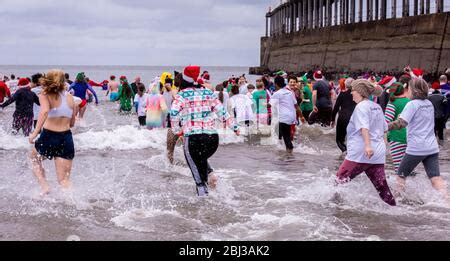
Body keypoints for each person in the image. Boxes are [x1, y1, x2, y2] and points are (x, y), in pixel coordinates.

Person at [170, 66, 239, 196]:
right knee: (201, 160)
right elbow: (222, 112)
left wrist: (177, 131)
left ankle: (203, 208)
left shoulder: (181, 95)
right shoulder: (208, 93)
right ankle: (211, 176)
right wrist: (235, 128)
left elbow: (173, 113)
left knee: (198, 179)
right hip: (212, 139)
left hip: (193, 138)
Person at [336, 79, 396, 206]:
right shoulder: (376, 106)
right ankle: (397, 212)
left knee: (339, 182)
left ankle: (333, 209)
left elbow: (364, 127)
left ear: (360, 92)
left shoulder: (361, 107)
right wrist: (383, 145)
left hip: (360, 154)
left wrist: (368, 146)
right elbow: (384, 128)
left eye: (353, 90)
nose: (351, 93)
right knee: (383, 190)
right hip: (377, 154)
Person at [389, 78, 448, 201]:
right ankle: (447, 201)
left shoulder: (412, 104)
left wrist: (385, 126)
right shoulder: (428, 103)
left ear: (413, 90)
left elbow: (401, 123)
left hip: (416, 148)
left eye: (409, 88)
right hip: (432, 148)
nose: (408, 91)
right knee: (435, 178)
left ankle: (395, 201)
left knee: (401, 175)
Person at [28, 70, 78, 196]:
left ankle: (44, 186)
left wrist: (35, 132)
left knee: (33, 158)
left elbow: (44, 112)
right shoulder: (70, 97)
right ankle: (75, 202)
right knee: (64, 180)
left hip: (49, 136)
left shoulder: (44, 95)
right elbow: (72, 123)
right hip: (66, 138)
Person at [270, 76, 304, 153]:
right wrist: (301, 116)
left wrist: (265, 104)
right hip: (292, 117)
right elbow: (296, 106)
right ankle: (283, 148)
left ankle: (289, 154)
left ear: (276, 84)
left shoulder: (277, 93)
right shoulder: (290, 92)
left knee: (286, 138)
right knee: (282, 133)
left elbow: (270, 105)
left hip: (284, 118)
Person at [384, 81, 410, 173]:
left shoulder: (392, 103)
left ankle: (401, 187)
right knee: (409, 169)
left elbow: (386, 123)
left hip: (397, 138)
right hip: (411, 139)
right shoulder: (410, 102)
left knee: (399, 169)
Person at [332, 78, 356, 154]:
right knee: (352, 138)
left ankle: (345, 152)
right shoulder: (358, 94)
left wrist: (332, 120)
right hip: (354, 118)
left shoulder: (342, 94)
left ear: (345, 85)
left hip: (343, 118)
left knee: (339, 140)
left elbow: (335, 108)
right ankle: (352, 154)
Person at [429, 82, 448, 146]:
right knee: (440, 130)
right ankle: (441, 142)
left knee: (433, 129)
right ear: (439, 89)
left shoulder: (429, 97)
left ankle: (433, 142)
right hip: (441, 115)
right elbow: (445, 105)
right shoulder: (443, 96)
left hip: (432, 116)